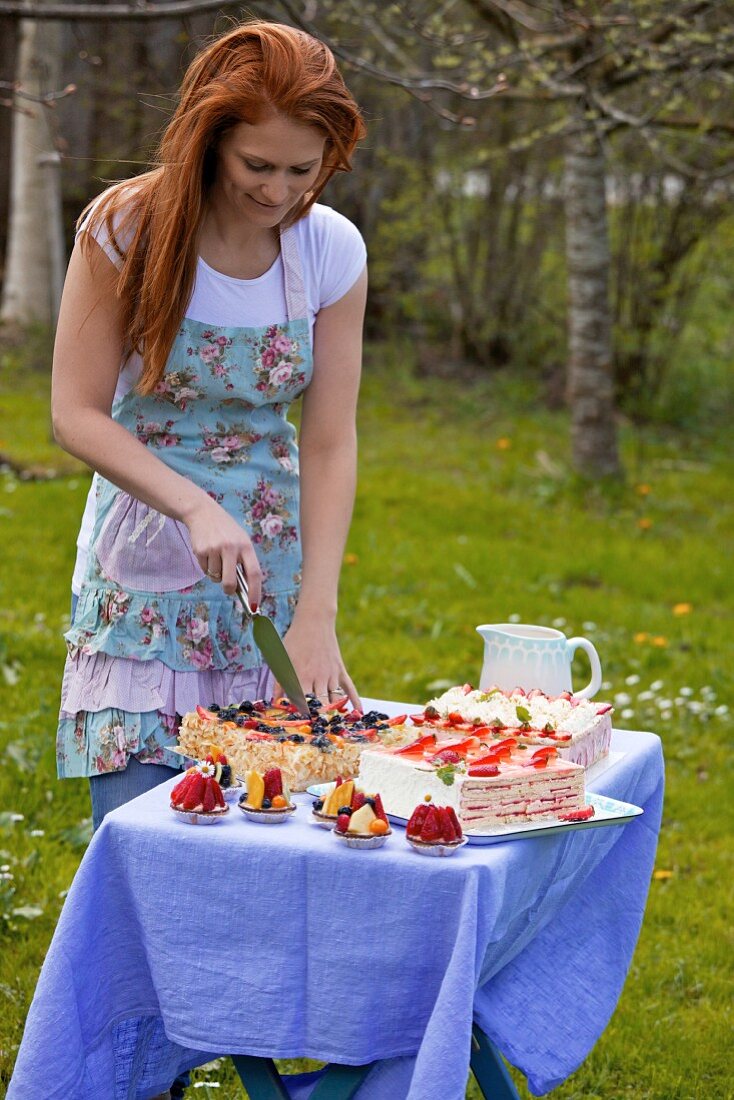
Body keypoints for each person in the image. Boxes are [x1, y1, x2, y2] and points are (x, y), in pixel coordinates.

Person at [52, 20, 368, 837]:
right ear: (207, 140)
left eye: (304, 169)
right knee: (144, 832)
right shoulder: (127, 227)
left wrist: (316, 616)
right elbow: (75, 412)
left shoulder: (329, 251)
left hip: (273, 564)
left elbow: (331, 441)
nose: (280, 191)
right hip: (149, 560)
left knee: (269, 833)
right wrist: (193, 506)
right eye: (257, 165)